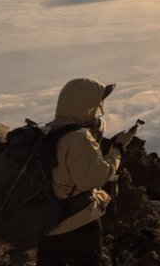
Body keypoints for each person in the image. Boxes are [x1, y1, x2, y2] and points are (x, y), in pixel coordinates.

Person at [37, 78, 137, 266]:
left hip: (47, 223)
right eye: (95, 106)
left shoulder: (47, 131)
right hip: (78, 223)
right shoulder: (79, 138)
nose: (98, 111)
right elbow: (95, 178)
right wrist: (118, 149)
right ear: (85, 105)